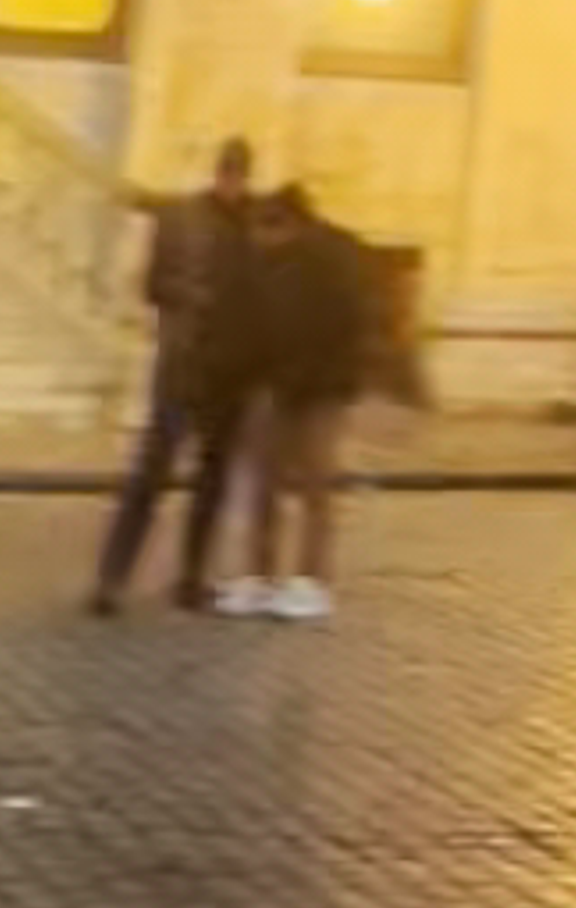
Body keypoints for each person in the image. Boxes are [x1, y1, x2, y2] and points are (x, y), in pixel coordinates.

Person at [91, 138, 260, 614]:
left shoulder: (257, 227)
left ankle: (191, 577)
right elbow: (151, 286)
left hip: (230, 372)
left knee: (213, 478)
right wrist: (195, 299)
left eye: (239, 175)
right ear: (219, 173)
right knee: (150, 474)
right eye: (228, 174)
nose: (232, 183)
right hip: (184, 366)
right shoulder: (179, 218)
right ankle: (112, 578)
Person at [217, 180, 384, 617]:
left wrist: (294, 378)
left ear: (289, 226)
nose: (258, 242)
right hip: (275, 384)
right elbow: (251, 323)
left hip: (320, 389)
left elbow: (341, 332)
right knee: (264, 483)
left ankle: (311, 580)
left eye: (265, 232)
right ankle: (259, 576)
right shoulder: (266, 261)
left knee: (315, 482)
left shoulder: (337, 261)